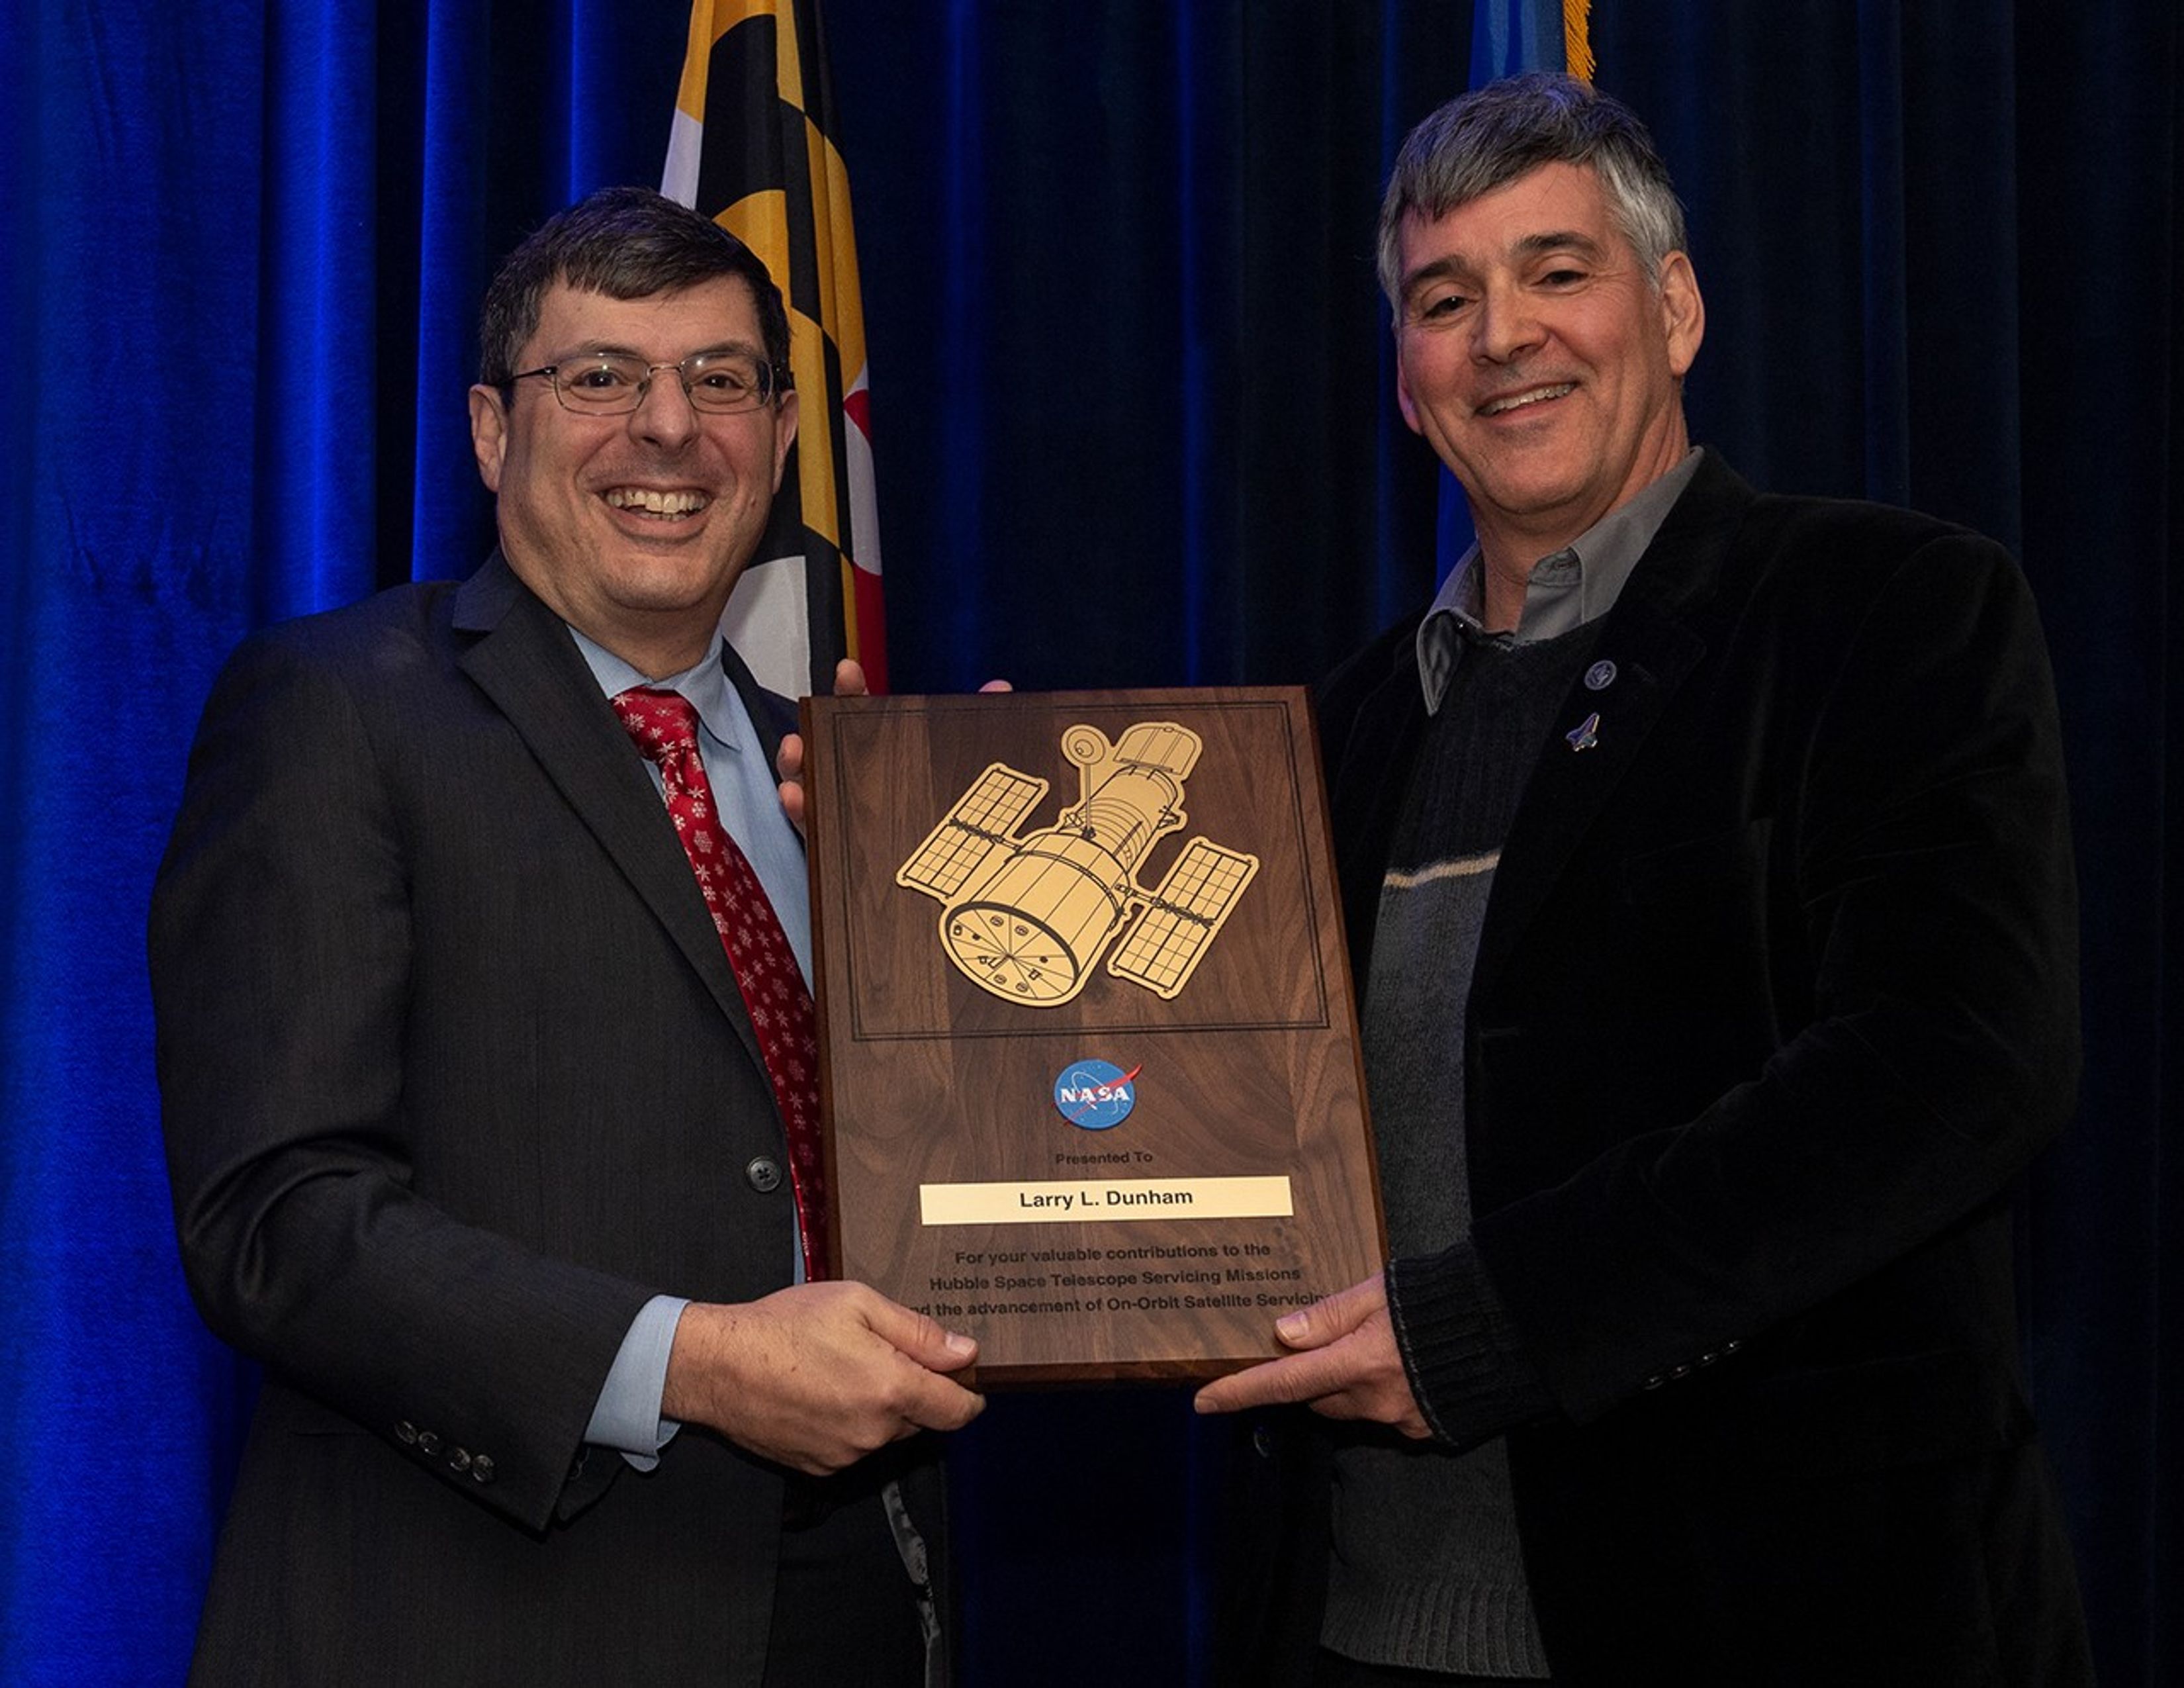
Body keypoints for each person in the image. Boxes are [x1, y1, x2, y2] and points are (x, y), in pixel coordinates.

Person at [1195, 73, 2091, 1685]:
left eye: (1559, 272)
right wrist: (940, 829)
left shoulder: (1888, 613)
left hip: (1784, 1624)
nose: (1503, 337)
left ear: (1671, 308)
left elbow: (1954, 1068)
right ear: (1405, 383)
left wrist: (1503, 1326)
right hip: (1353, 1639)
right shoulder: (1325, 736)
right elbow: (1189, 1096)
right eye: (1444, 300)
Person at [150, 186, 982, 1687]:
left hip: (862, 1606)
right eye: (599, 376)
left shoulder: (855, 784)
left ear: (784, 438)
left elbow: (944, 1182)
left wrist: (1000, 944)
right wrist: (698, 1365)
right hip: (479, 1621)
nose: (667, 430)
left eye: (719, 379)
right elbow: (277, 1219)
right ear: (490, 431)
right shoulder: (338, 710)